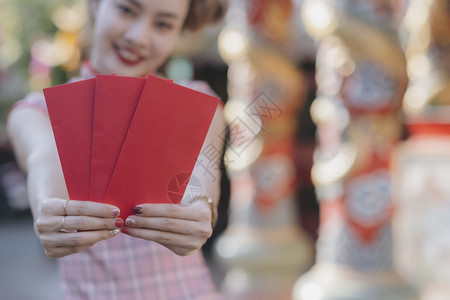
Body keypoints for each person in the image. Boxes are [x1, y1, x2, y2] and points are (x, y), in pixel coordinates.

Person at [7, 0, 227, 299]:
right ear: (96, 4)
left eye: (163, 24)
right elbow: (44, 172)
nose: (138, 37)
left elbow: (202, 182)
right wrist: (49, 214)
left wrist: (202, 210)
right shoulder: (36, 113)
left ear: (180, 30)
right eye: (127, 10)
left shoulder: (198, 104)